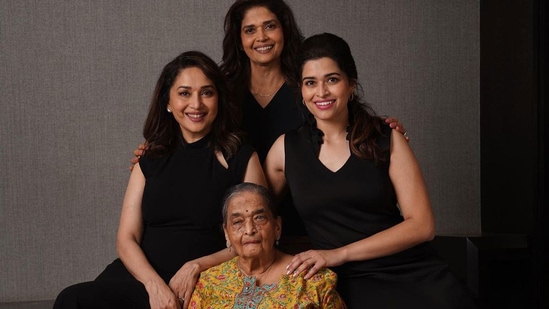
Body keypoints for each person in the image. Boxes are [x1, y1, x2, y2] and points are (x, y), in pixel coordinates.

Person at [131, 0, 407, 251]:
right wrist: (158, 154)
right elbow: (194, 139)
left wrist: (377, 129)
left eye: (270, 27)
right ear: (239, 40)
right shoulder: (220, 92)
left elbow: (340, 120)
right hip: (240, 228)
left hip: (313, 222)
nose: (261, 37)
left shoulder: (308, 86)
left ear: (284, 31)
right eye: (250, 30)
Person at [264, 33, 477, 309]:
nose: (321, 92)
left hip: (412, 273)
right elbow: (250, 214)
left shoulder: (386, 138)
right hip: (346, 284)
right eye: (310, 83)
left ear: (351, 84)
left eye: (332, 79)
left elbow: (422, 225)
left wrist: (338, 254)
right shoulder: (285, 149)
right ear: (301, 92)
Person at [53, 51, 266, 309]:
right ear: (168, 101)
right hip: (141, 275)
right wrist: (153, 284)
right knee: (72, 299)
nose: (196, 104)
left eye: (207, 92)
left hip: (204, 278)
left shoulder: (242, 157)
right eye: (184, 93)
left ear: (219, 99)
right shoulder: (150, 157)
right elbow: (126, 238)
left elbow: (255, 239)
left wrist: (196, 265)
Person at [188, 182, 346, 309]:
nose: (249, 230)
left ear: (277, 227)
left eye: (259, 218)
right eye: (237, 222)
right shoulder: (209, 282)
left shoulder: (313, 280)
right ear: (226, 234)